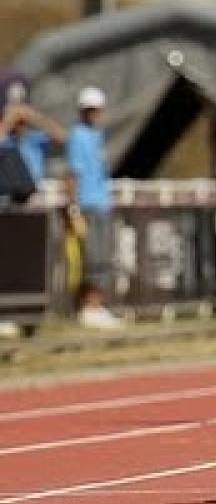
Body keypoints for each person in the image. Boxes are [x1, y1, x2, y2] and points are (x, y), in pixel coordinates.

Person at [65, 86, 121, 329]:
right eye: (89, 109)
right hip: (87, 204)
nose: (94, 114)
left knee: (102, 257)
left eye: (96, 109)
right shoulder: (78, 136)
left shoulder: (98, 136)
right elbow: (73, 173)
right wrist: (73, 205)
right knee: (92, 258)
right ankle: (89, 307)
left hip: (101, 203)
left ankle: (95, 306)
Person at [0, 80, 65, 189]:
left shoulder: (34, 138)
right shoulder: (6, 140)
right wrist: (9, 120)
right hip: (13, 194)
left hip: (36, 190)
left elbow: (61, 137)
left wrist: (34, 117)